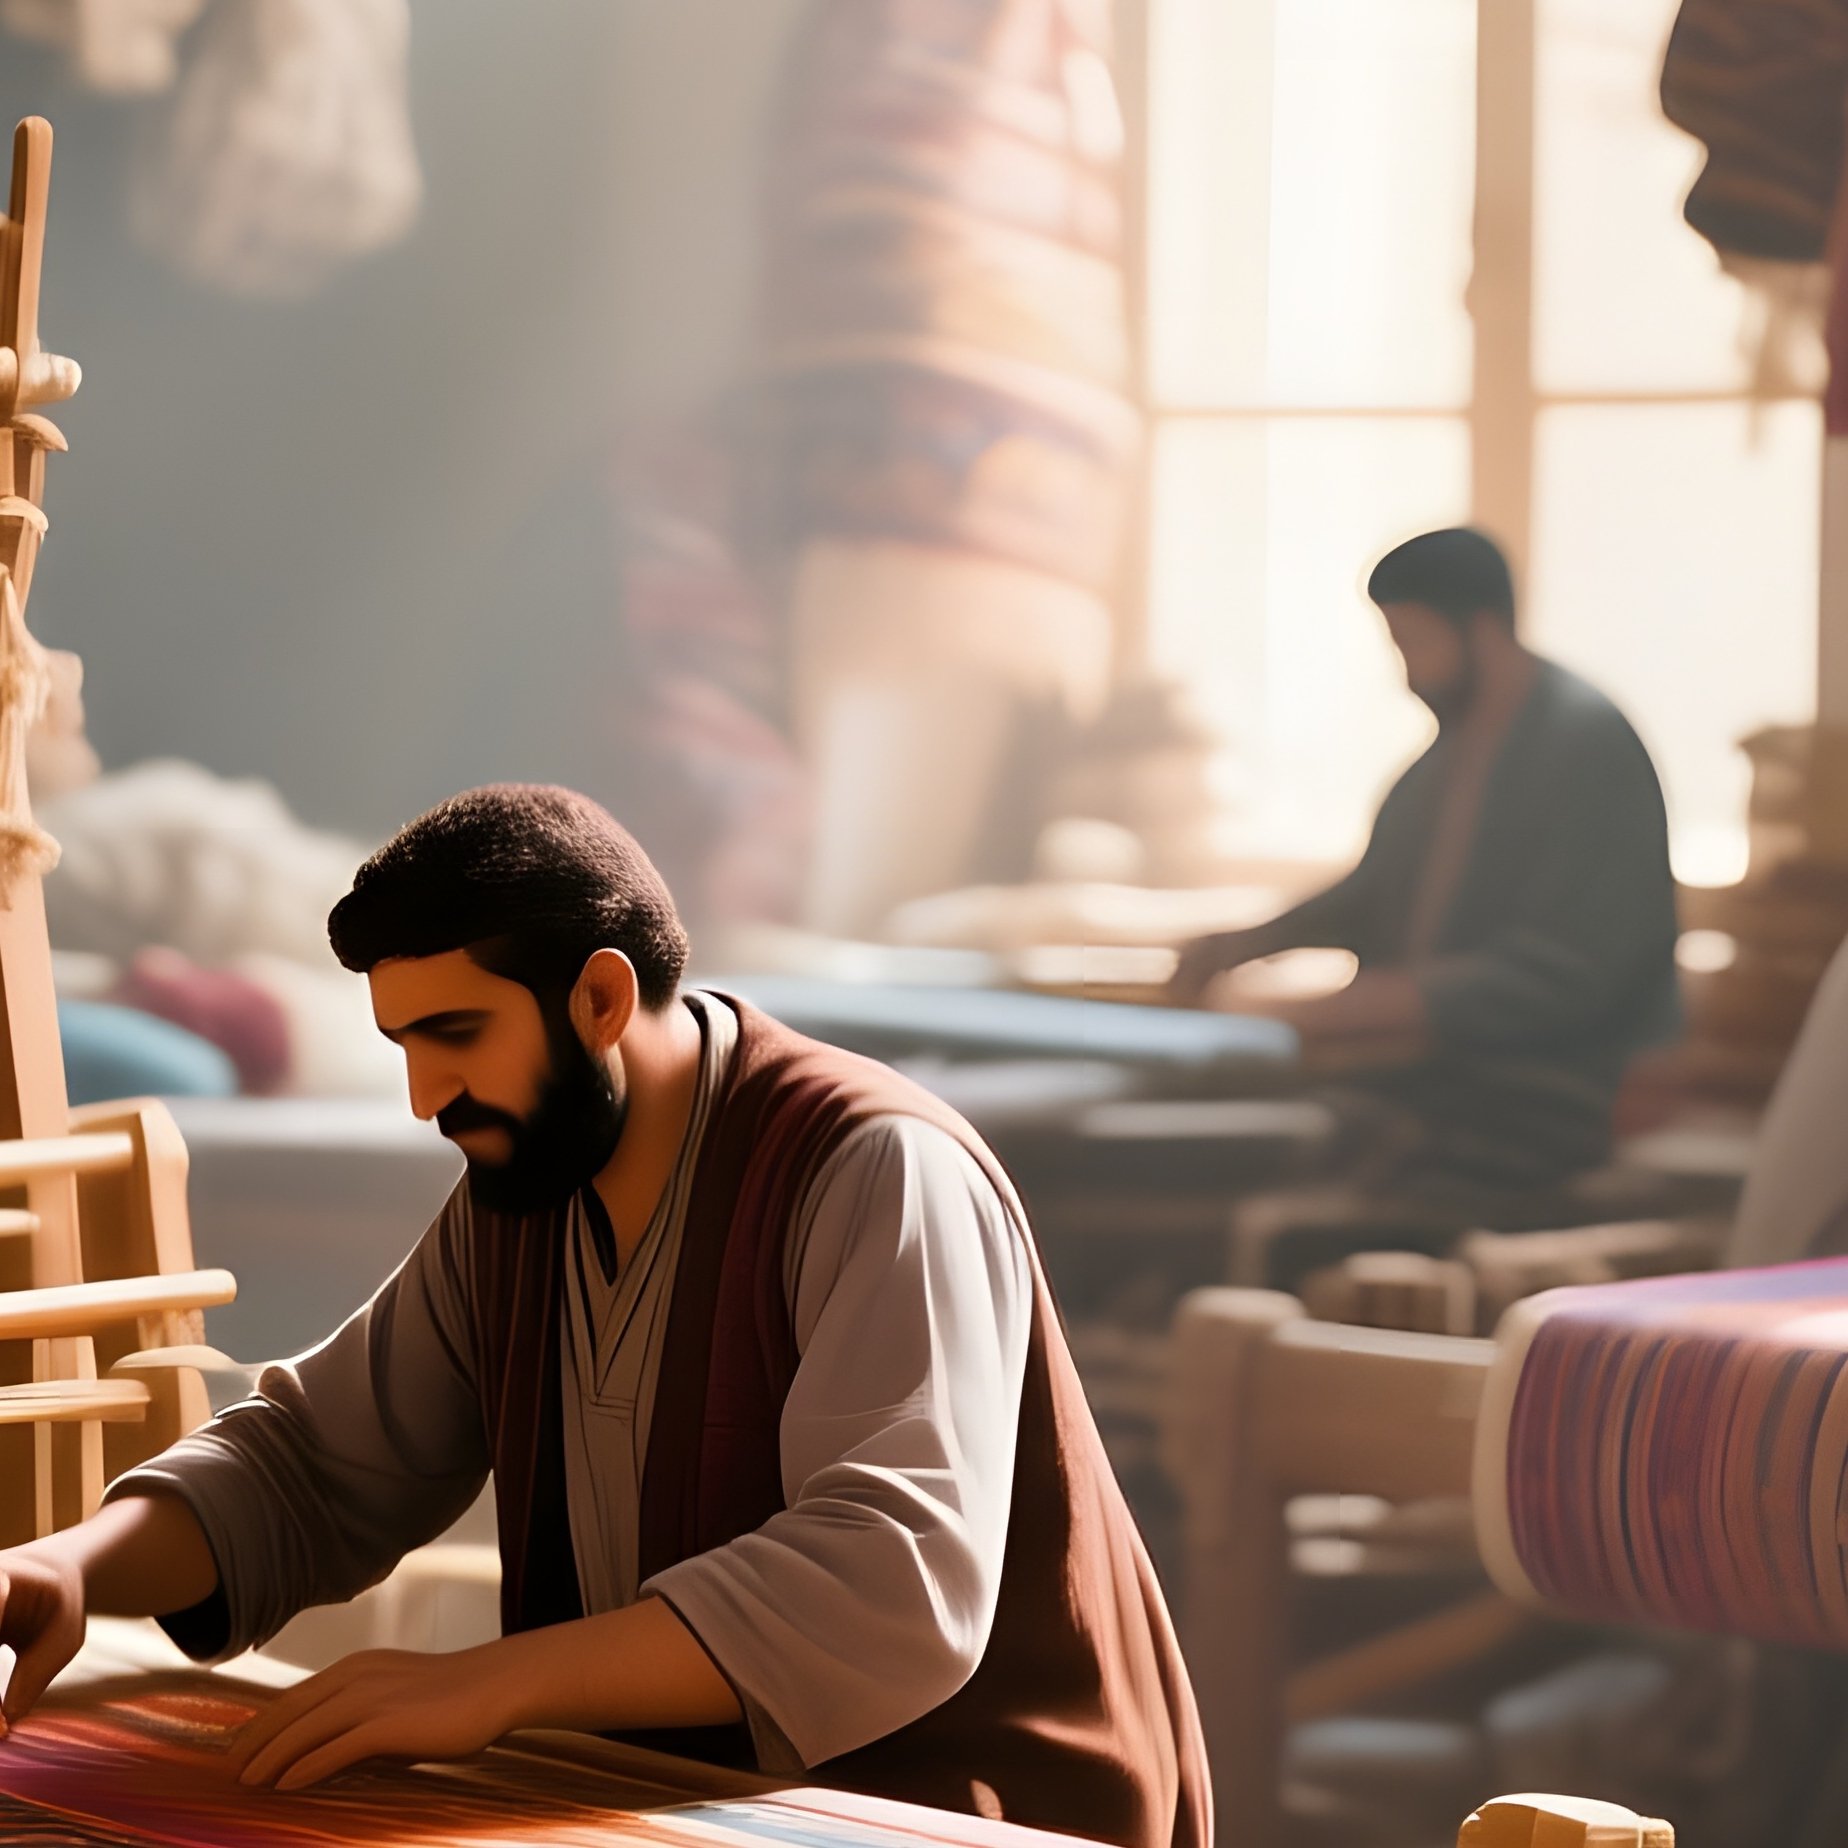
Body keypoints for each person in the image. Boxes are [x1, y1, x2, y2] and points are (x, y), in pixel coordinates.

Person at [0, 784, 1209, 1848]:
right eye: (402, 1045)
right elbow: (317, 1462)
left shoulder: (875, 1168)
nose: (426, 1096)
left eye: (456, 1035)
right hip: (674, 1801)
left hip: (960, 1809)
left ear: (598, 997)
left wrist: (492, 1686)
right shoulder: (519, 1192)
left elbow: (889, 1577)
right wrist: (72, 1566)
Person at [1172, 528, 1680, 1282]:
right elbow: (1369, 894)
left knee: (1258, 1191)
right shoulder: (1441, 763)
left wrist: (1342, 1010)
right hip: (1429, 1080)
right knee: (1181, 1136)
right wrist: (1248, 943)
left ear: (1480, 627)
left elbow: (1567, 973)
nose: (1406, 672)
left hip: (1543, 1097)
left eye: (1414, 642)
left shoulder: (1587, 745)